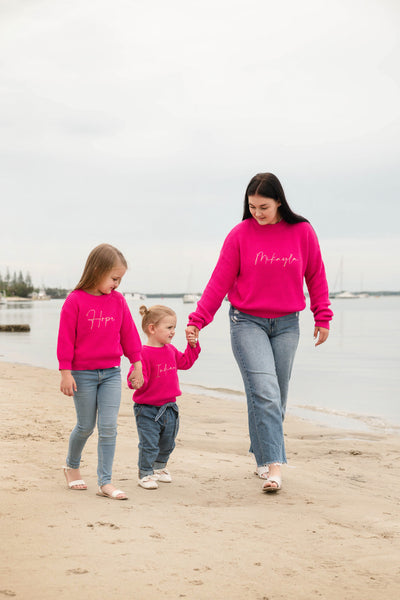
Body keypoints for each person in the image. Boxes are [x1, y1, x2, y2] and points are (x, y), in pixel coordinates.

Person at [185, 172, 333, 493]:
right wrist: (198, 320)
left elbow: (316, 274)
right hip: (246, 322)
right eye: (251, 207)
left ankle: (262, 456)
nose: (257, 213)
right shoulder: (239, 235)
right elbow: (219, 282)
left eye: (263, 206)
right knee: (264, 391)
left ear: (279, 201)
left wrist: (322, 316)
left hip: (287, 325)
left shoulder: (302, 232)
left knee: (275, 397)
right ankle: (275, 468)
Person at [57, 243, 143, 500]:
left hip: (111, 373)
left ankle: (105, 482)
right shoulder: (75, 300)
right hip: (82, 375)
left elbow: (129, 334)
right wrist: (65, 372)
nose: (117, 284)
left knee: (109, 427)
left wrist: (137, 364)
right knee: (85, 426)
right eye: (114, 278)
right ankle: (71, 466)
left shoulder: (117, 301)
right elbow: (65, 339)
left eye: (120, 279)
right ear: (97, 270)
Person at [128, 305, 200, 489]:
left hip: (170, 408)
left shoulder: (170, 350)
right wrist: (135, 381)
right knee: (149, 444)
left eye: (174, 327)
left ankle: (159, 468)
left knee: (167, 443)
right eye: (169, 328)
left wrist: (192, 346)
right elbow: (135, 377)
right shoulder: (142, 353)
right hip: (147, 409)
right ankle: (145, 473)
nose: (173, 332)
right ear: (152, 328)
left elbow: (185, 362)